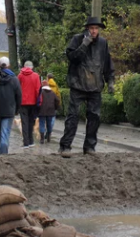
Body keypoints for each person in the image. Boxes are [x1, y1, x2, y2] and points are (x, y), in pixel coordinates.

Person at [59, 17, 114, 158]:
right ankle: (65, 146)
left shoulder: (103, 43)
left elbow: (107, 64)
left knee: (94, 117)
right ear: (87, 29)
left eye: (96, 28)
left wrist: (110, 81)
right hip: (78, 85)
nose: (94, 31)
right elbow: (73, 58)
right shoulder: (77, 40)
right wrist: (85, 44)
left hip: (95, 86)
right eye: (92, 28)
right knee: (73, 116)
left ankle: (90, 147)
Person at [0, 57, 21, 155]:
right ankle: (3, 155)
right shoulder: (14, 79)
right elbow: (19, 95)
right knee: (5, 134)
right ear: (8, 66)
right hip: (9, 110)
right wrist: (17, 109)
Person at [18, 61, 41, 149]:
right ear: (32, 67)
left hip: (23, 102)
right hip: (33, 102)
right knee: (31, 122)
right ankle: (31, 141)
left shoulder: (20, 76)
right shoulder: (36, 76)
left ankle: (26, 142)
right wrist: (38, 101)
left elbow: (17, 89)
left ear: (24, 66)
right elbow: (37, 90)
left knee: (24, 122)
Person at [38, 79, 60, 144]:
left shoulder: (41, 92)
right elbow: (57, 100)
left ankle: (42, 139)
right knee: (49, 124)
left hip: (41, 111)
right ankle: (48, 138)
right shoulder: (52, 93)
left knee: (41, 124)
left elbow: (37, 101)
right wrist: (55, 108)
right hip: (51, 110)